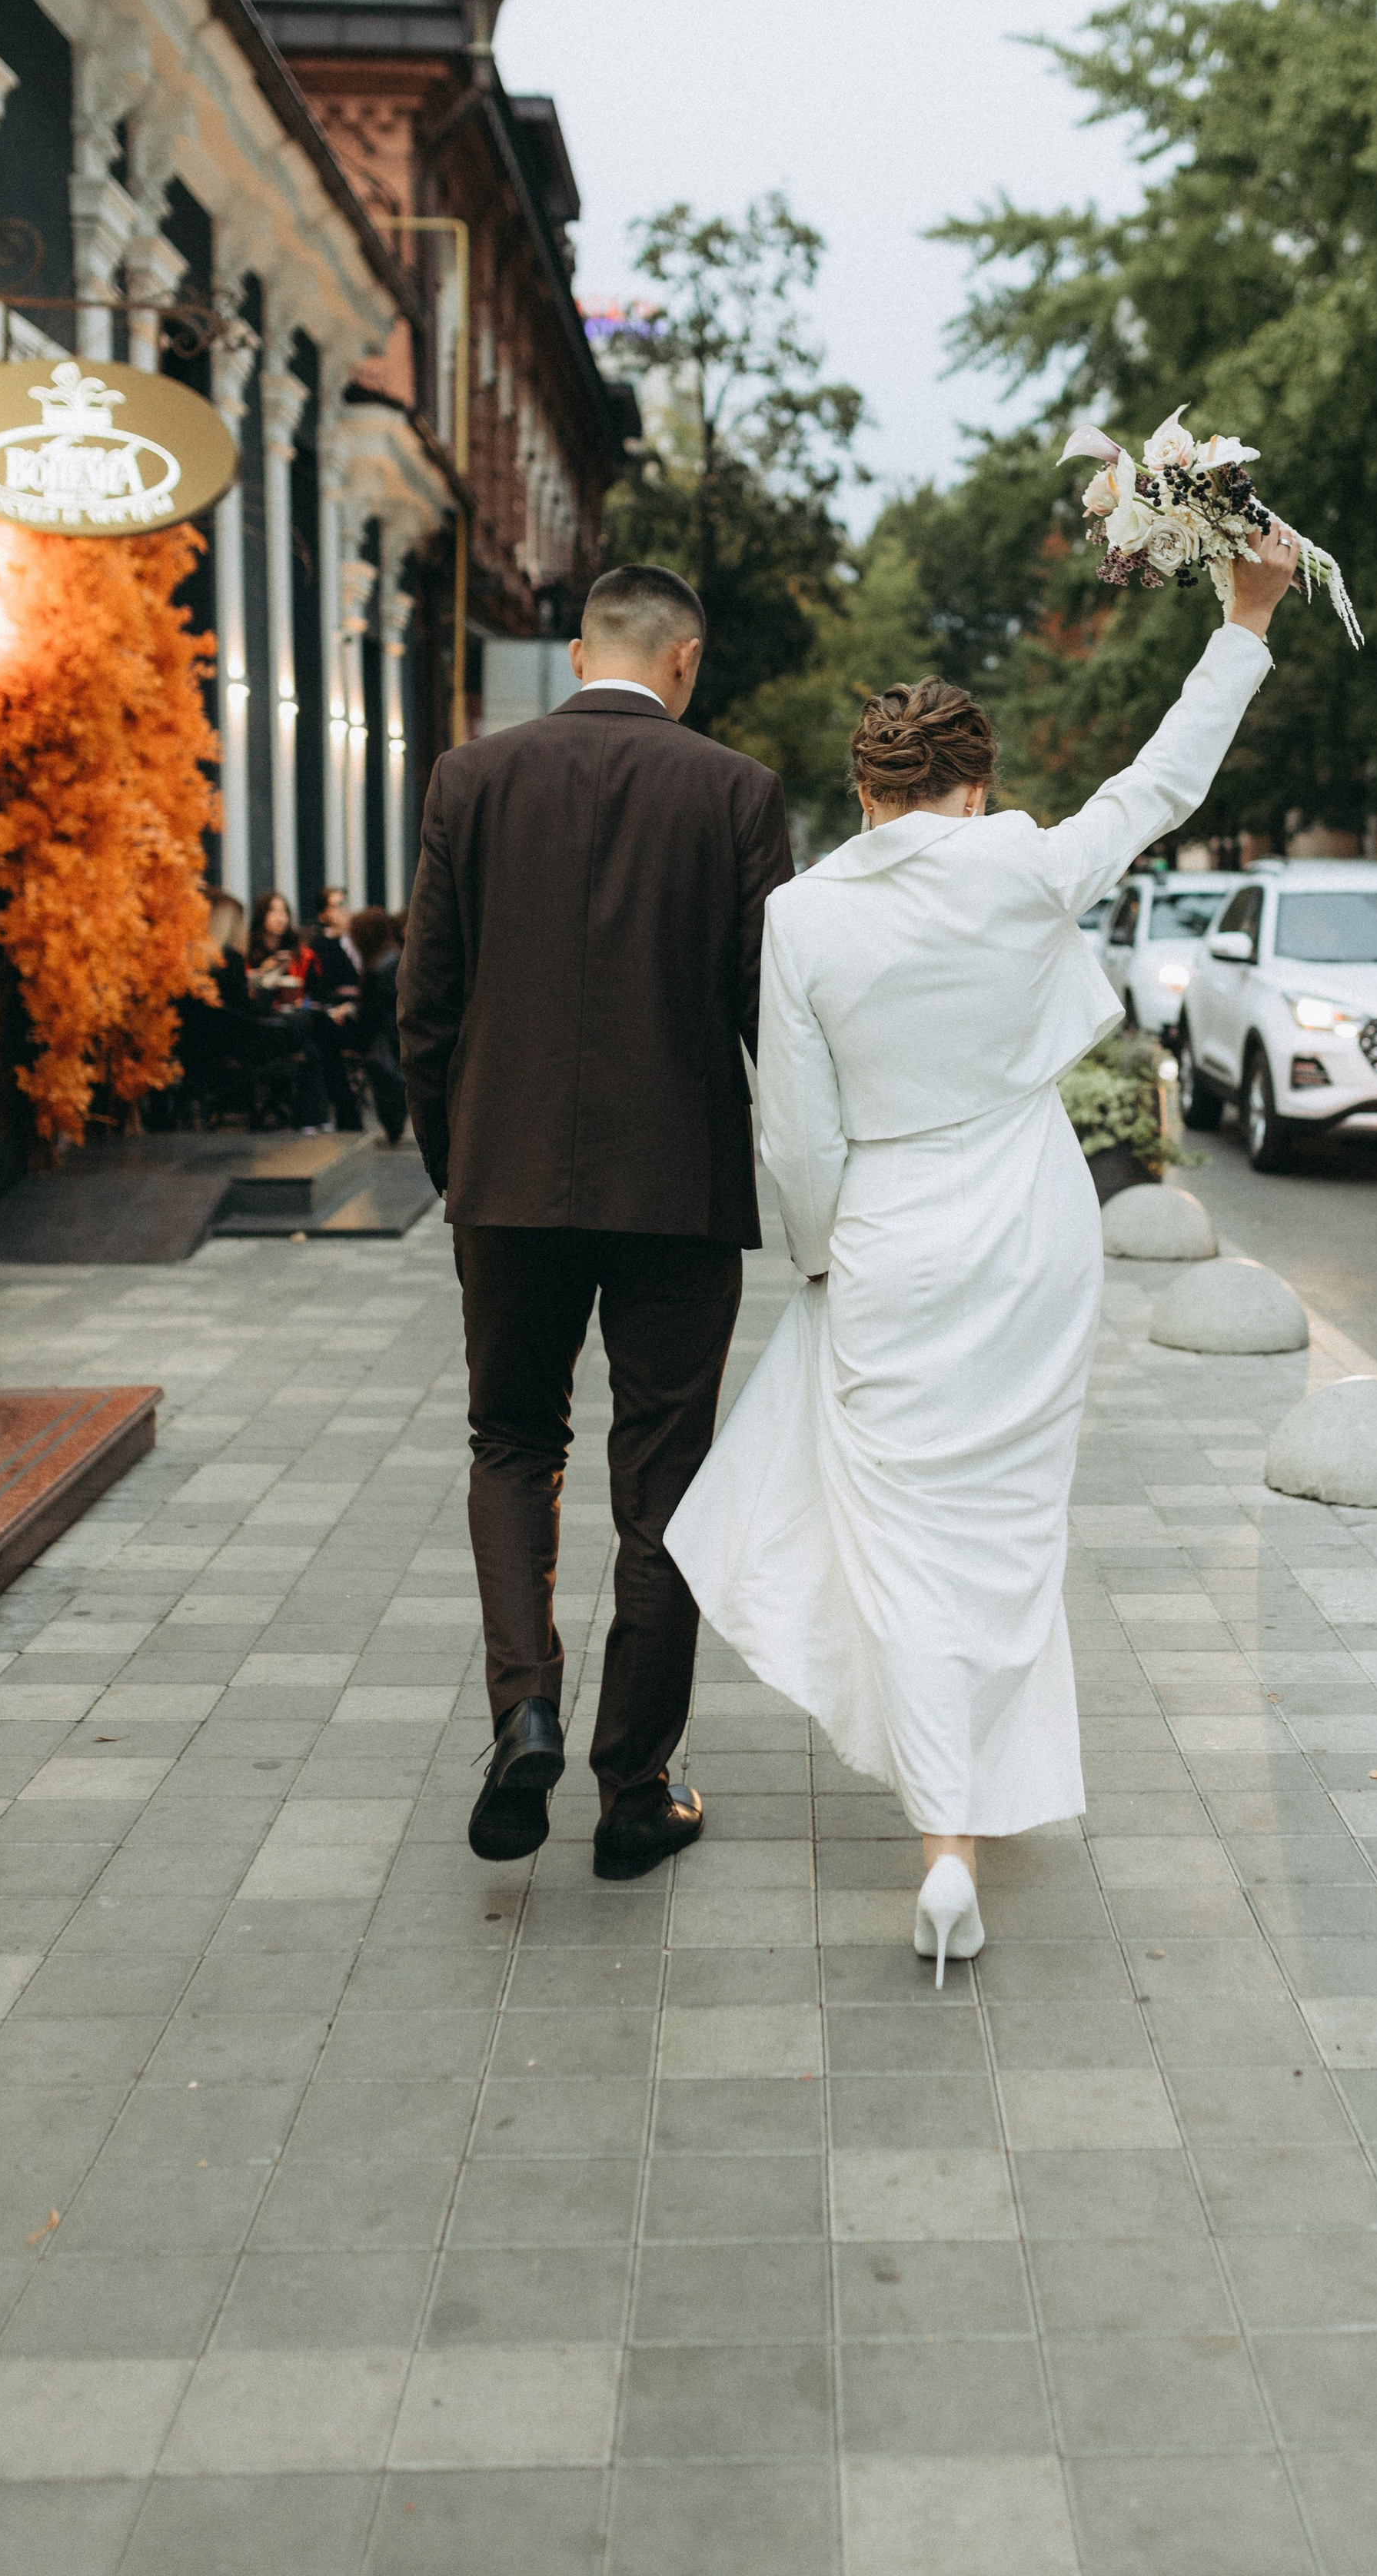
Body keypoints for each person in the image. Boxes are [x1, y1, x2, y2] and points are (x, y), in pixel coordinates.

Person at [665, 524, 1303, 1978]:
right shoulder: (1026, 870)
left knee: (902, 1537)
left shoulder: (801, 918)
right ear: (981, 781)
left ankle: (948, 1834)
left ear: (865, 792)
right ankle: (971, 1815)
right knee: (1009, 1529)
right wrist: (1245, 620)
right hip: (1029, 1220)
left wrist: (823, 1266)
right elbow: (1163, 780)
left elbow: (798, 1135)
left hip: (890, 1228)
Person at [398, 563, 793, 1880]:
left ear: (580, 654)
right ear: (685, 659)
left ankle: (524, 1706)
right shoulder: (735, 792)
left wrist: (459, 1166)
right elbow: (766, 1018)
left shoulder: (471, 780)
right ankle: (634, 1789)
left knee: (510, 1441)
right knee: (664, 1483)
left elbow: (426, 1003)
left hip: (506, 1182)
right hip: (679, 1192)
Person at [193, 893, 328, 1127]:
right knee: (306, 1031)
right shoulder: (231, 957)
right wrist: (267, 995)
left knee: (307, 1042)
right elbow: (246, 1006)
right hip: (243, 1039)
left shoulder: (199, 958)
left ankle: (310, 1118)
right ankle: (312, 1119)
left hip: (212, 1038)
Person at [304, 885, 364, 1133]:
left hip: (364, 1013)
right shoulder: (320, 947)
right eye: (338, 906)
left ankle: (346, 1113)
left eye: (345, 905)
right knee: (325, 1039)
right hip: (339, 1016)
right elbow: (321, 990)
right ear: (323, 916)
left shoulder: (358, 942)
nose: (345, 911)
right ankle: (346, 1114)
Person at [348, 906, 406, 1144]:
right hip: (393, 1037)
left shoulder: (379, 968)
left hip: (383, 1041)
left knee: (386, 1083)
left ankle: (392, 1128)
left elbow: (372, 1015)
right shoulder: (392, 959)